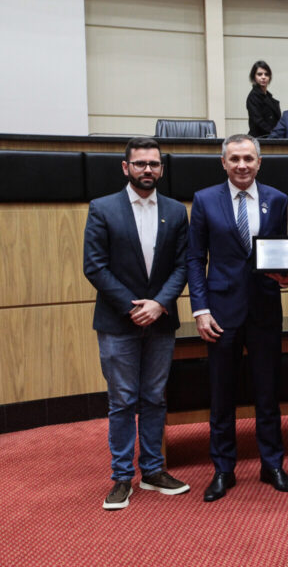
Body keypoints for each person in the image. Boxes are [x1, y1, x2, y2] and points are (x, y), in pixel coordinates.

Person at [186, 134, 288, 502]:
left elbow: (279, 252)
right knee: (222, 394)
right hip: (220, 313)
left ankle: (272, 464)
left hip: (265, 309)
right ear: (223, 162)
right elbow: (194, 259)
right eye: (234, 159)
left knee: (268, 393)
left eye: (248, 158)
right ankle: (223, 469)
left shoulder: (278, 199)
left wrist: (287, 274)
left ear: (259, 162)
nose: (242, 165)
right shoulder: (204, 200)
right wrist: (200, 309)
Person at [83, 136, 190, 510]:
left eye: (154, 164)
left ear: (162, 168)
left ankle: (154, 471)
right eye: (141, 163)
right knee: (122, 400)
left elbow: (182, 266)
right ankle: (121, 478)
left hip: (160, 321)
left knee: (155, 398)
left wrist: (159, 304)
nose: (148, 170)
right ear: (126, 167)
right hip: (118, 322)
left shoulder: (176, 211)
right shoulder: (102, 208)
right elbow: (94, 266)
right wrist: (134, 308)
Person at [246, 60, 281, 138]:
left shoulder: (269, 97)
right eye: (259, 74)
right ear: (254, 77)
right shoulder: (253, 97)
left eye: (266, 74)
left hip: (270, 137)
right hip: (260, 139)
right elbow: (258, 121)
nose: (263, 77)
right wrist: (274, 133)